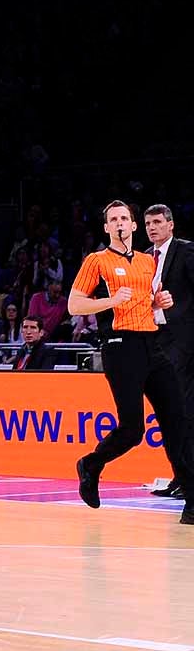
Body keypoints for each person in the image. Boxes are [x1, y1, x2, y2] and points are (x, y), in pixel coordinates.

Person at [68, 200, 194, 522]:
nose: (121, 223)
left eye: (125, 218)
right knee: (132, 430)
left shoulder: (146, 262)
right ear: (107, 228)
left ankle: (192, 501)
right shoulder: (96, 261)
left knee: (178, 420)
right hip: (120, 347)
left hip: (153, 344)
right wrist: (110, 300)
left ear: (133, 226)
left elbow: (147, 303)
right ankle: (92, 464)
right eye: (114, 219)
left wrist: (158, 302)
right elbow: (74, 306)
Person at [145, 203, 194, 499]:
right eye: (148, 223)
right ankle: (180, 476)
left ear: (171, 225)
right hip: (155, 338)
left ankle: (189, 480)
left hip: (182, 341)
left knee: (183, 411)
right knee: (167, 412)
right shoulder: (143, 259)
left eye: (158, 222)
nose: (152, 227)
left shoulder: (186, 251)